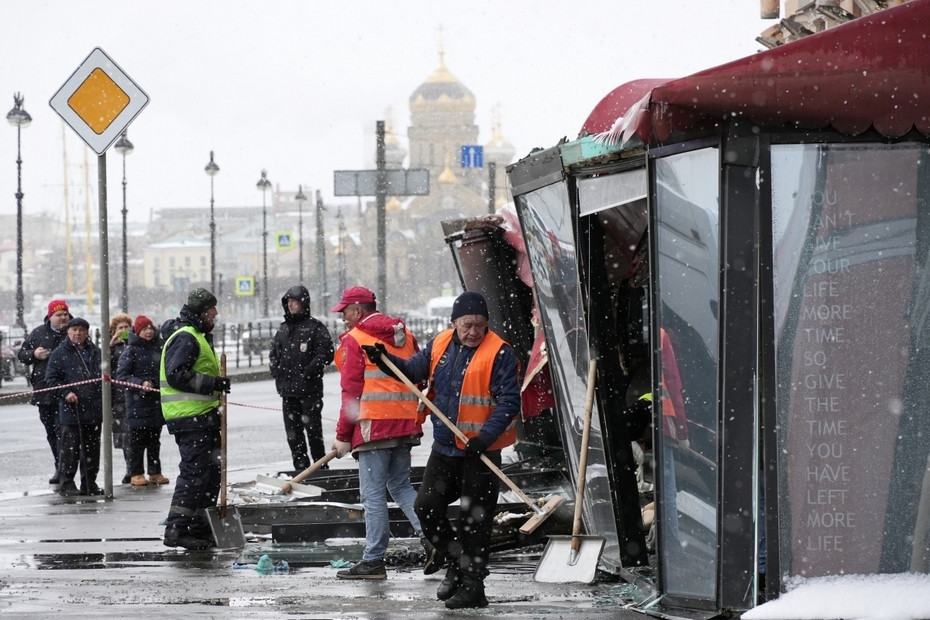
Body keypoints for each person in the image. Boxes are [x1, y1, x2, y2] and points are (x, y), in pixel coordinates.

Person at [365, 290, 521, 609]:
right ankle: (457, 564)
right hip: (446, 448)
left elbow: (509, 402)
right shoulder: (441, 344)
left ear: (487, 324)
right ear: (454, 323)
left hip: (480, 452)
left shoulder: (500, 353)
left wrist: (485, 437)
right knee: (426, 506)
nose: (473, 332)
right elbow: (412, 371)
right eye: (467, 325)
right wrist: (384, 359)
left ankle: (473, 587)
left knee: (473, 521)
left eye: (479, 325)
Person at [329, 286, 428, 581]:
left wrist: (343, 435)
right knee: (400, 486)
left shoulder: (356, 339)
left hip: (374, 425)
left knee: (372, 494)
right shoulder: (405, 336)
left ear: (358, 310)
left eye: (345, 312)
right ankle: (435, 540)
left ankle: (373, 560)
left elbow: (351, 393)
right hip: (405, 422)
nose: (343, 318)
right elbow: (420, 373)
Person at [160, 288, 231, 550]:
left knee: (210, 474)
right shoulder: (186, 338)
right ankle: (176, 528)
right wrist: (214, 383)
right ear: (202, 312)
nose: (215, 314)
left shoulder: (197, 336)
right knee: (194, 474)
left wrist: (216, 385)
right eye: (212, 310)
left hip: (203, 417)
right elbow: (176, 374)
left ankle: (200, 527)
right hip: (190, 418)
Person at [269, 285, 334, 471]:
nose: (290, 305)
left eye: (294, 302)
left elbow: (326, 353)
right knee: (293, 435)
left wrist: (308, 371)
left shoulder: (315, 328)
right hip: (288, 392)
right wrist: (277, 372)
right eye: (288, 302)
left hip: (309, 391)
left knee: (314, 432)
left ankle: (320, 467)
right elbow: (274, 354)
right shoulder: (283, 330)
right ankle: (300, 469)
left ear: (303, 303)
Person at [44, 317, 104, 497]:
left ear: (87, 332)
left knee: (92, 449)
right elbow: (51, 379)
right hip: (72, 411)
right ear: (68, 332)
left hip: (93, 409)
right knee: (70, 450)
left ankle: (89, 482)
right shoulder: (59, 353)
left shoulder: (96, 352)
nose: (77, 333)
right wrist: (66, 393)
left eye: (81, 330)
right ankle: (67, 483)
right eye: (74, 330)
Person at [18, 299, 72, 484]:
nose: (63, 318)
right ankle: (60, 465)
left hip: (66, 391)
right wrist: (34, 354)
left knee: (63, 432)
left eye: (65, 314)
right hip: (44, 391)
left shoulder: (73, 331)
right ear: (50, 317)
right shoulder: (39, 333)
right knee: (51, 432)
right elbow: (22, 355)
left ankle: (65, 470)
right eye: (59, 315)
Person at [117, 314, 168, 487]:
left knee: (155, 439)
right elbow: (122, 376)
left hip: (155, 401)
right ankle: (136, 473)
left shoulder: (159, 347)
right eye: (144, 329)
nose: (148, 332)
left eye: (150, 328)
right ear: (137, 332)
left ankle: (155, 472)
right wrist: (140, 383)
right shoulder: (130, 350)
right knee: (137, 441)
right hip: (138, 402)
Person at [108, 313, 133, 484]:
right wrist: (111, 347)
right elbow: (102, 368)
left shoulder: (134, 344)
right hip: (118, 396)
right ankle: (130, 468)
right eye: (120, 328)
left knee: (138, 434)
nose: (124, 331)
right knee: (125, 435)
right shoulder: (111, 347)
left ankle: (138, 468)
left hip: (134, 392)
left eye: (126, 327)